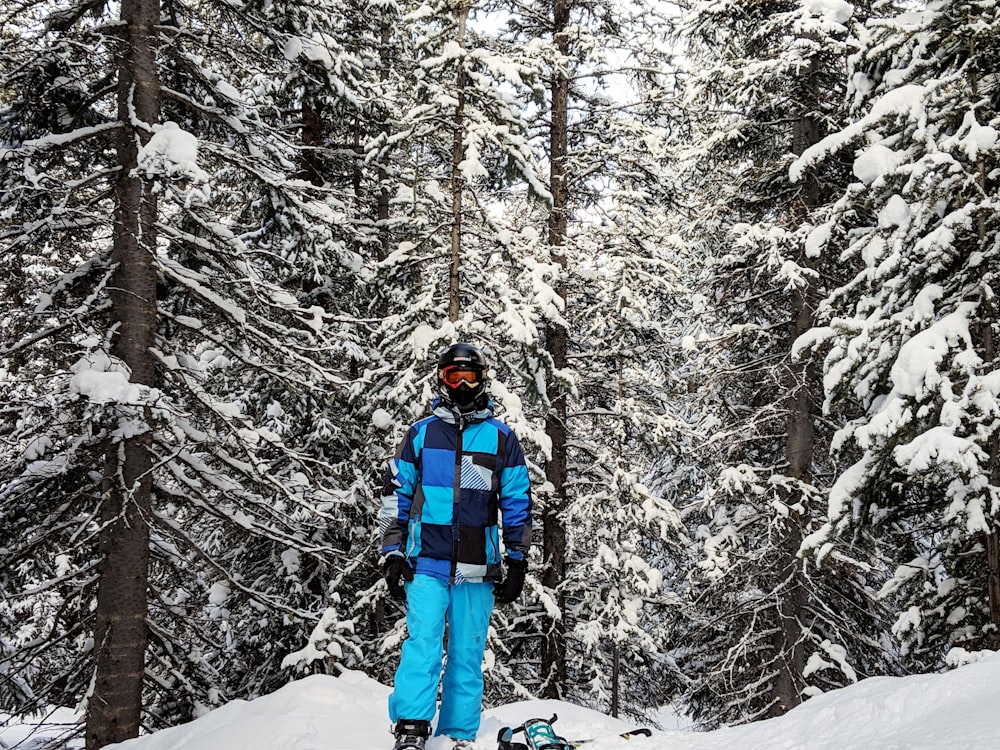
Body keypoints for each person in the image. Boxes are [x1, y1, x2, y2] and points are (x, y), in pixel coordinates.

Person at [380, 342, 533, 750]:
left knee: (467, 652)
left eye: (470, 376)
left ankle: (458, 734)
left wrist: (518, 559)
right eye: (454, 376)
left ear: (483, 380)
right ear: (442, 381)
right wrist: (393, 552)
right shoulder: (422, 434)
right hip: (426, 560)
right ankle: (411, 727)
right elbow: (396, 494)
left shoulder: (501, 439)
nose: (463, 384)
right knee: (422, 644)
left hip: (477, 566)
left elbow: (517, 501)